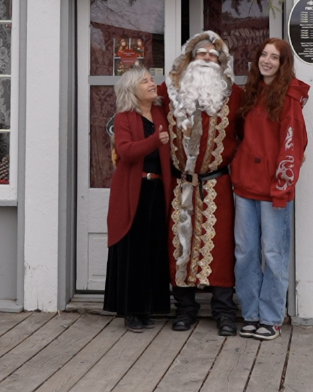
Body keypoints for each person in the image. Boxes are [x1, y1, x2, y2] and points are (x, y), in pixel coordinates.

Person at [158, 31, 244, 337]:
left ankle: (223, 311)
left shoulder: (234, 96)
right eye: (201, 54)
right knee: (178, 246)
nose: (207, 59)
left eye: (213, 55)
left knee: (220, 247)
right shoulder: (168, 92)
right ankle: (184, 309)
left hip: (217, 185)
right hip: (180, 186)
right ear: (189, 58)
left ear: (222, 63)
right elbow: (138, 104)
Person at [230, 38, 309, 341]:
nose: (266, 61)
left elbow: (294, 145)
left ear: (283, 63)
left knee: (273, 254)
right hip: (245, 187)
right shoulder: (250, 93)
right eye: (263, 55)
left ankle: (272, 317)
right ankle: (250, 313)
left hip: (274, 189)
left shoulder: (288, 98)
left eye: (274, 57)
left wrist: (282, 186)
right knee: (245, 253)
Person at [104, 66, 172, 331]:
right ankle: (132, 311)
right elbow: (126, 151)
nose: (152, 83)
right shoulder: (124, 118)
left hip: (156, 189)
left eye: (151, 79)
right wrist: (155, 140)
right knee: (134, 251)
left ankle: (150, 307)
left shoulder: (159, 113)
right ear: (133, 89)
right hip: (134, 190)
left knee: (154, 248)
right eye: (145, 81)